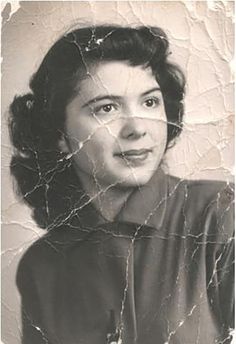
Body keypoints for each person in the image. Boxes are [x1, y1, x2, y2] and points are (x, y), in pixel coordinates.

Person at [9, 25, 234, 344]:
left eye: (150, 102)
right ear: (59, 134)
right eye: (106, 108)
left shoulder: (221, 217)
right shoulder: (41, 265)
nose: (137, 128)